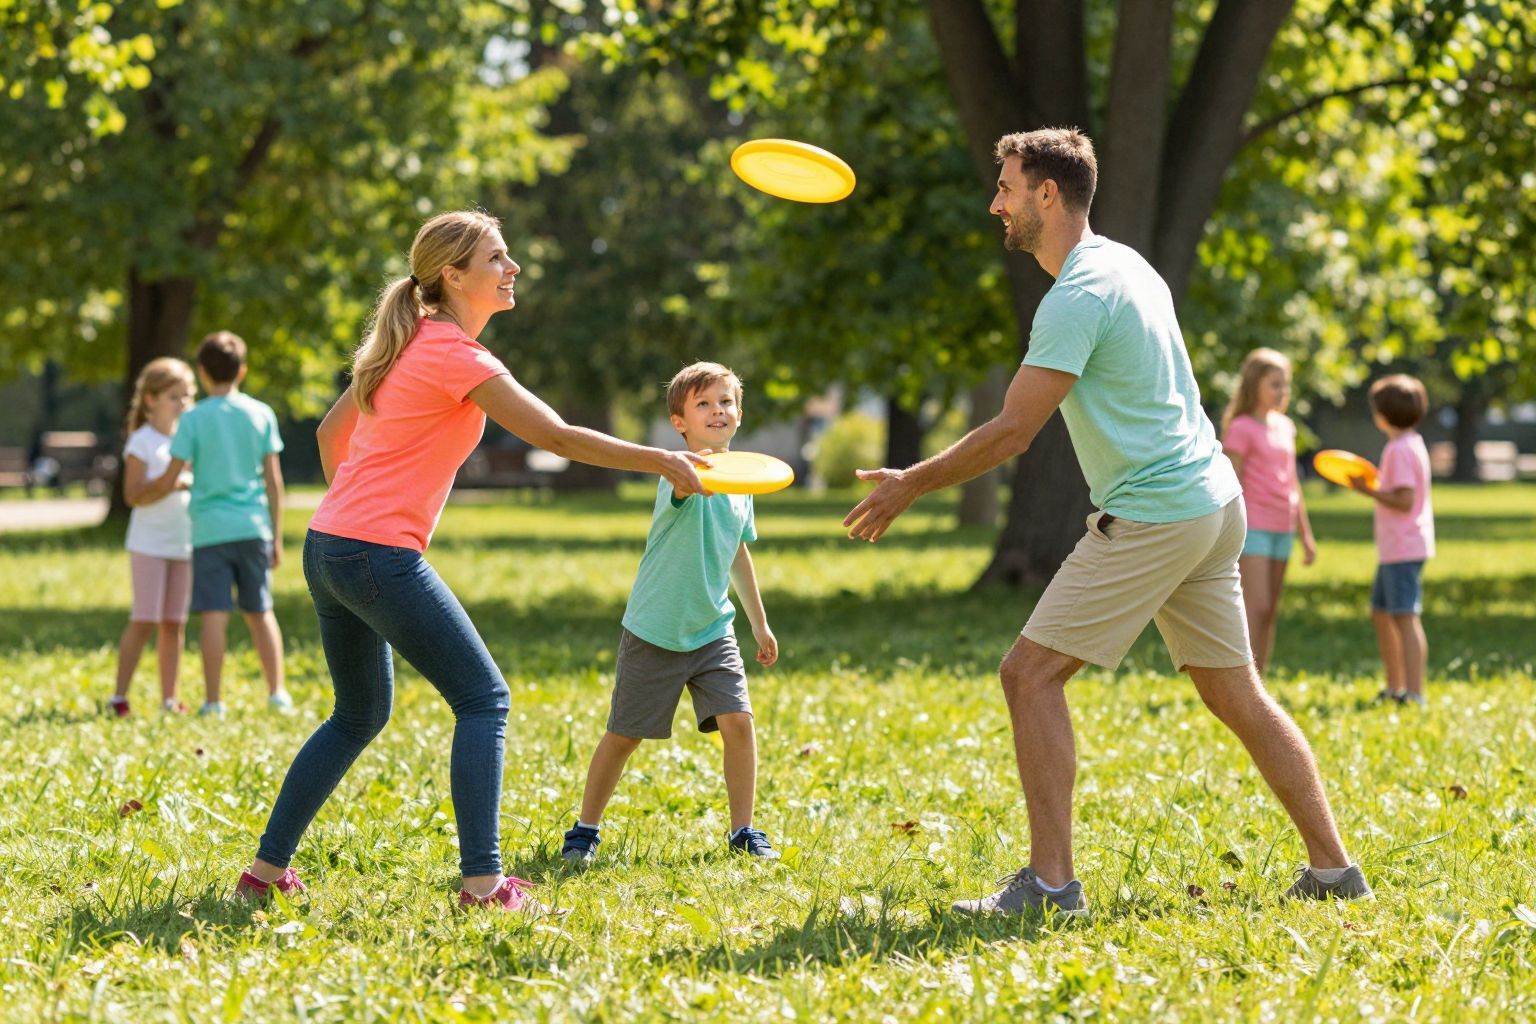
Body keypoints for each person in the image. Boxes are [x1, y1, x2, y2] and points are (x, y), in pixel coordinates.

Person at [843, 128, 1370, 915]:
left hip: (1159, 512)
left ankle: (1052, 886)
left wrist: (908, 484)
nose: (995, 204)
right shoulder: (1126, 265)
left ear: (1047, 193)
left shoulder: (1078, 296)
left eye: (1006, 188)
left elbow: (1014, 431)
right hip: (1211, 501)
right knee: (1237, 694)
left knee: (1029, 675)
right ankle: (1335, 871)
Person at [235, 210, 710, 914]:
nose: (512, 268)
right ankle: (484, 886)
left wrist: (356, 509)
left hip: (328, 545)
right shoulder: (456, 355)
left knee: (358, 715)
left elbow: (332, 434)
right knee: (484, 700)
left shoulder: (403, 343)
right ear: (454, 276)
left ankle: (264, 873)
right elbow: (556, 435)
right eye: (497, 257)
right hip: (373, 553)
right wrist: (662, 460)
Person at [562, 362, 781, 867]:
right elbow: (684, 491)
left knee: (739, 723)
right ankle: (585, 829)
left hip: (712, 629)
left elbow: (737, 551)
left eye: (725, 402)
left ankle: (744, 831)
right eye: (703, 404)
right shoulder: (678, 473)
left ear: (739, 413)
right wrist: (685, 475)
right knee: (625, 735)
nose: (717, 411)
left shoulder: (742, 482)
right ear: (680, 422)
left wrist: (759, 622)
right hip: (656, 628)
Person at [165, 332, 290, 716]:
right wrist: (276, 537)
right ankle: (277, 694)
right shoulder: (261, 414)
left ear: (202, 373)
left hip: (209, 531)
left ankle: (214, 701)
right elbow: (273, 481)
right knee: (261, 611)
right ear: (243, 371)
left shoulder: (192, 419)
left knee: (214, 615)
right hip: (253, 528)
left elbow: (174, 474)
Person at [1220, 348, 1317, 674]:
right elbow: (1231, 481)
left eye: (1285, 384)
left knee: (1271, 610)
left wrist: (1306, 534)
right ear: (1254, 384)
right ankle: (1242, 679)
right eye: (1275, 384)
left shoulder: (1286, 426)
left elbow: (1292, 482)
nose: (1282, 391)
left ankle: (1258, 680)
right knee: (1256, 607)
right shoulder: (1241, 427)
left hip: (1283, 527)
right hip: (1255, 526)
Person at [109, 357, 196, 717]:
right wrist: (173, 481)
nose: (183, 403)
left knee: (174, 623)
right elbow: (133, 495)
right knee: (145, 619)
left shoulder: (189, 439)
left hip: (184, 543)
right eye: (174, 396)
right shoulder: (142, 442)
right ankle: (119, 697)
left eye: (187, 395)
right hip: (149, 545)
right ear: (150, 399)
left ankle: (169, 699)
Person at [1350, 374, 1435, 706]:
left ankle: (1414, 693)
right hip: (1398, 548)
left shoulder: (1398, 449)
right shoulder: (1412, 443)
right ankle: (1395, 687)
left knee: (1404, 616)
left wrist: (1367, 490)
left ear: (1383, 415)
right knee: (1381, 613)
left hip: (1402, 547)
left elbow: (1404, 499)